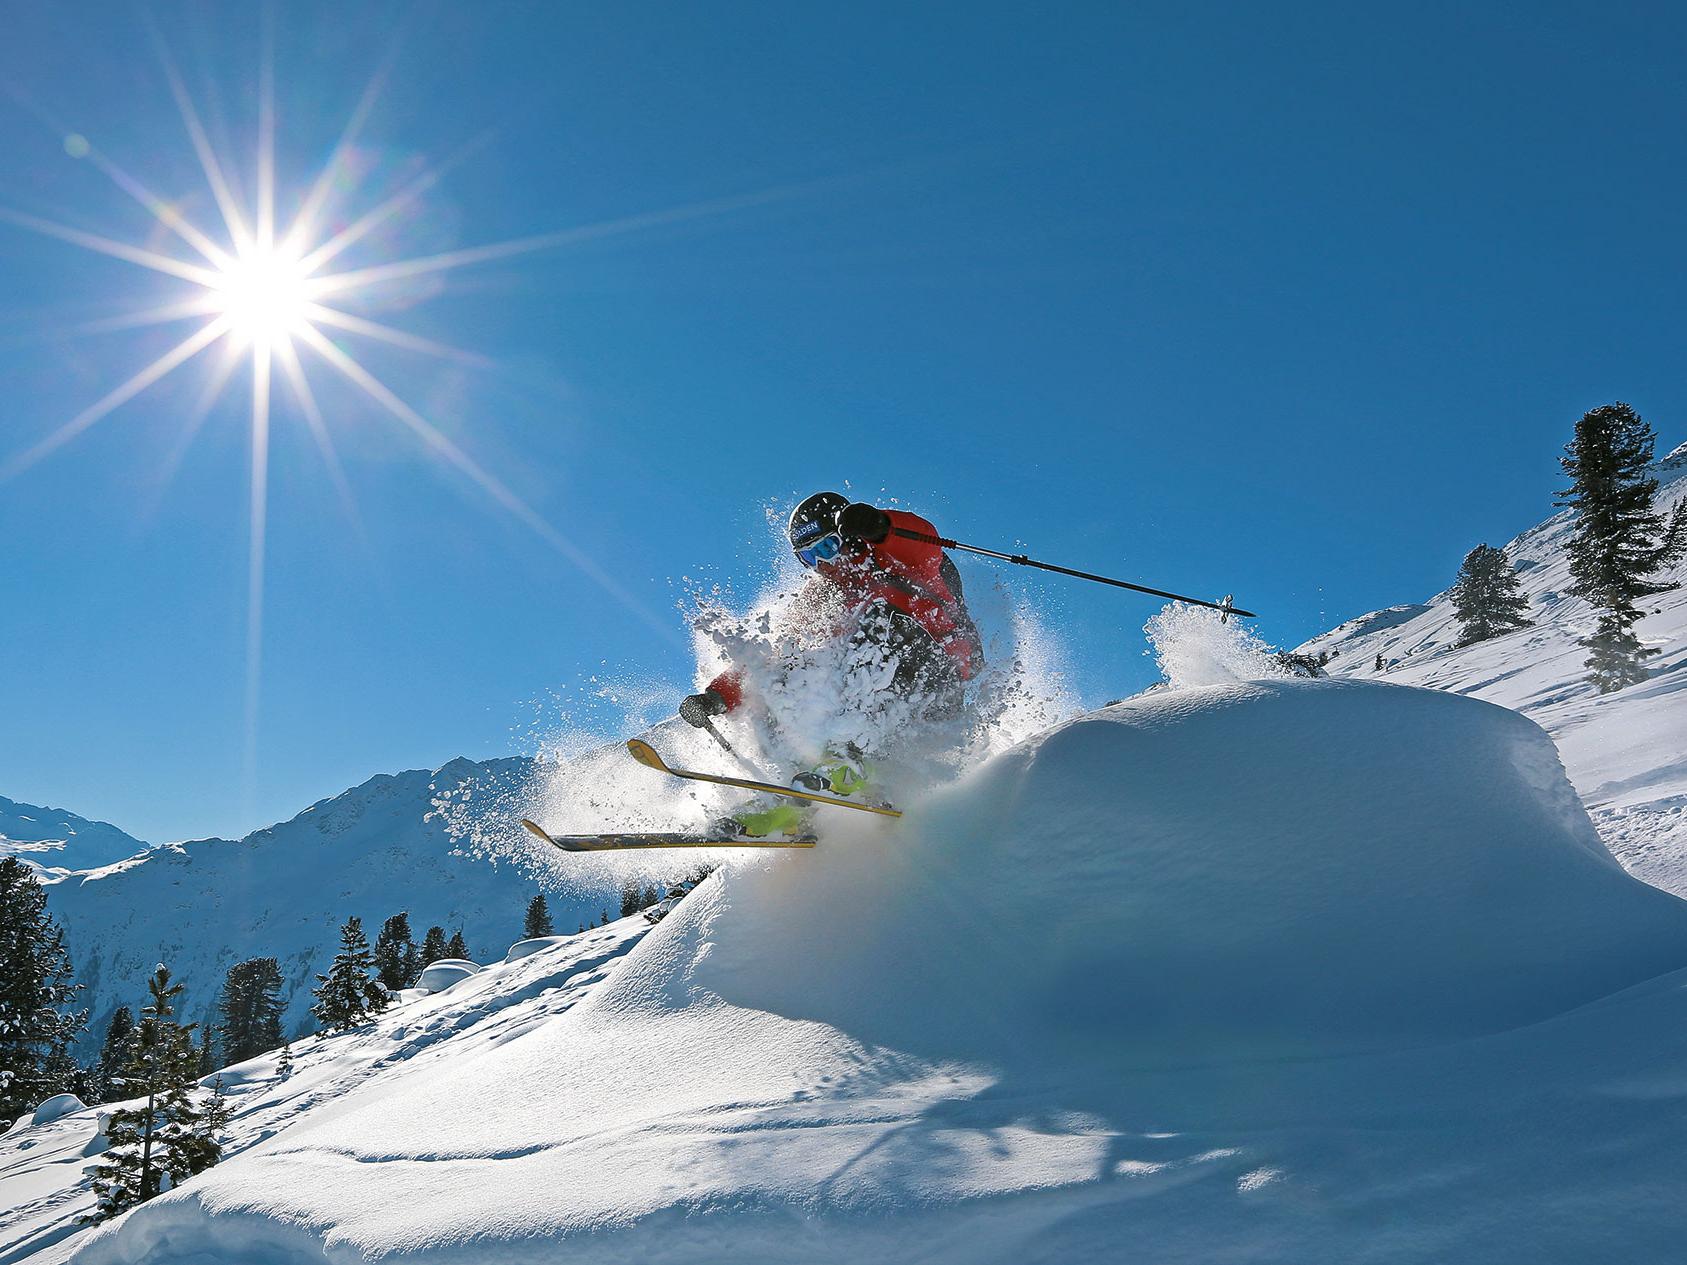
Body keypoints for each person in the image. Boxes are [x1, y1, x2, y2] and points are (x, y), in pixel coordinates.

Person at [677, 492, 984, 836]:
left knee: (877, 619)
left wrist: (880, 525)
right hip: (875, 711)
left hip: (933, 678)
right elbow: (771, 657)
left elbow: (924, 541)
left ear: (850, 537)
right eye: (809, 557)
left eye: (827, 548)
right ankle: (796, 800)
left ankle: (848, 758)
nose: (822, 565)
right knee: (790, 669)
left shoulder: (894, 559)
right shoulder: (822, 599)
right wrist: (718, 696)